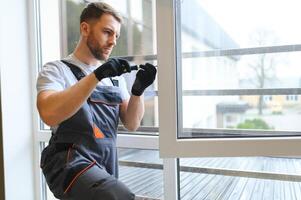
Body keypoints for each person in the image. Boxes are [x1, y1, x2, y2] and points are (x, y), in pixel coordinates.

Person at [36, 2, 156, 200]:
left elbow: (132, 123)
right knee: (118, 196)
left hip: (105, 163)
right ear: (85, 28)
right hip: (68, 162)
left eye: (116, 35)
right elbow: (48, 114)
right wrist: (96, 76)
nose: (113, 41)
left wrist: (138, 91)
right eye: (107, 32)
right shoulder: (56, 70)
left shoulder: (114, 78)